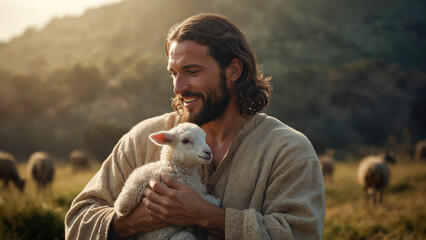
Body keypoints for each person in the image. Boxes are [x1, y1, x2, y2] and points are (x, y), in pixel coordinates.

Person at [65, 13, 325, 240]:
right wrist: (129, 222)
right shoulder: (143, 138)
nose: (178, 88)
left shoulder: (289, 151)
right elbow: (78, 222)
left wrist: (205, 215)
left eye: (192, 71)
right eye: (174, 73)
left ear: (234, 70)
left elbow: (299, 233)